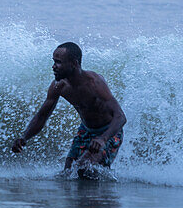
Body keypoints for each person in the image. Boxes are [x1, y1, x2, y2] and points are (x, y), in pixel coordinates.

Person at [11, 42, 127, 174]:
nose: (54, 67)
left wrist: (103, 139)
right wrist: (24, 137)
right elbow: (42, 116)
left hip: (109, 132)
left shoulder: (94, 83)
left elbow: (120, 117)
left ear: (74, 63)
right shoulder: (59, 86)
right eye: (54, 61)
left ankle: (105, 192)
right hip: (86, 130)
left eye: (58, 62)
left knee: (84, 169)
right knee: (68, 173)